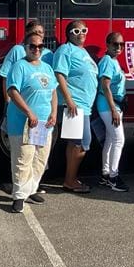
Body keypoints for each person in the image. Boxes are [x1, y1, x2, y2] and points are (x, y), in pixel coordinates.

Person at [6, 31, 58, 212]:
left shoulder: (46, 67)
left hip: (43, 123)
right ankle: (19, 196)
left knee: (39, 158)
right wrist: (29, 112)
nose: (36, 49)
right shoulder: (19, 66)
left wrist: (54, 113)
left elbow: (53, 92)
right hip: (24, 122)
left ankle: (30, 189)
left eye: (40, 46)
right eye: (32, 46)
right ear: (25, 47)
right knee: (23, 159)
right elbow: (12, 91)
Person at [54, 20, 99, 194]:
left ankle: (70, 179)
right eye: (76, 31)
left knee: (76, 143)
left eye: (84, 30)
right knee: (80, 143)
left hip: (84, 106)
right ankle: (70, 180)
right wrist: (69, 100)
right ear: (68, 34)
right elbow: (59, 75)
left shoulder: (83, 52)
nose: (81, 33)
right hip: (74, 105)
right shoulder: (65, 50)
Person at [96, 31, 129, 192]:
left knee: (110, 139)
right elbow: (105, 85)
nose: (118, 47)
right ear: (107, 45)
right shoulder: (108, 61)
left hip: (112, 105)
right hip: (109, 106)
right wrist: (113, 110)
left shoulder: (112, 61)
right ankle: (114, 178)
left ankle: (105, 174)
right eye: (115, 44)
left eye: (121, 44)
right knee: (118, 140)